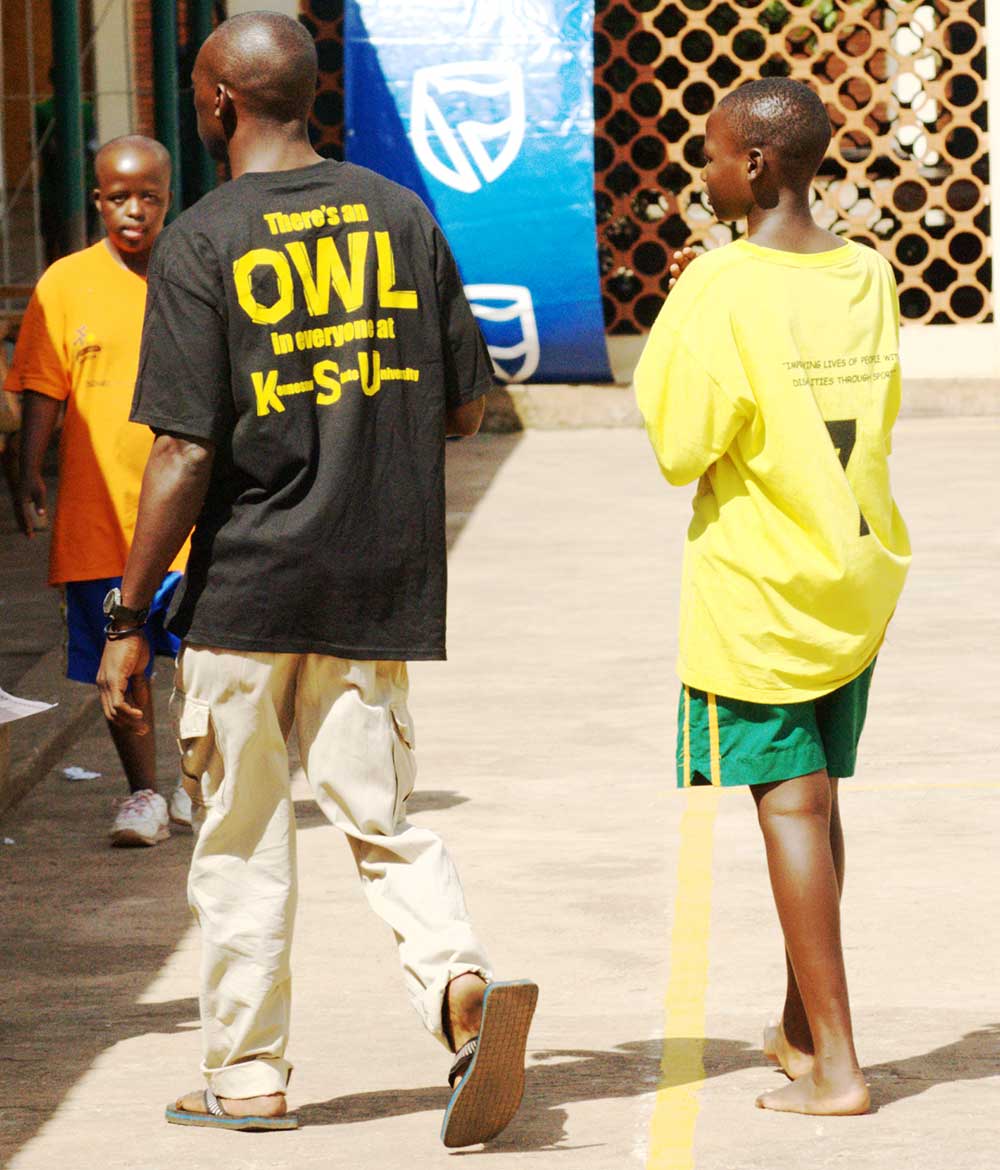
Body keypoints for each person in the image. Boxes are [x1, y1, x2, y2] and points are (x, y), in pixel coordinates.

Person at [96, 11, 536, 1146]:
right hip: (373, 584)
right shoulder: (399, 213)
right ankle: (457, 989)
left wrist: (128, 612)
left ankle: (247, 1081)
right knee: (383, 820)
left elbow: (184, 452)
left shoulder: (203, 240)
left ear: (220, 104)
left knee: (242, 842)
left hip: (247, 594)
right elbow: (463, 404)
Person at [634, 78, 911, 1116]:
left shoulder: (719, 286)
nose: (698, 172)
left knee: (788, 805)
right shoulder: (869, 273)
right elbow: (877, 413)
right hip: (852, 572)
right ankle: (802, 1030)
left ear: (749, 166)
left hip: (759, 584)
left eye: (707, 154)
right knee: (819, 795)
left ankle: (838, 1066)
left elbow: (679, 445)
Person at [7, 135, 191, 846]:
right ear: (98, 199)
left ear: (169, 197)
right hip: (97, 516)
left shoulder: (192, 271)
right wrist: (26, 474)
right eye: (119, 198)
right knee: (124, 667)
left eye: (149, 196)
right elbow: (43, 390)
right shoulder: (64, 284)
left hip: (190, 517)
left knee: (206, 661)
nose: (135, 211)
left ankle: (197, 782)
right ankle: (143, 793)